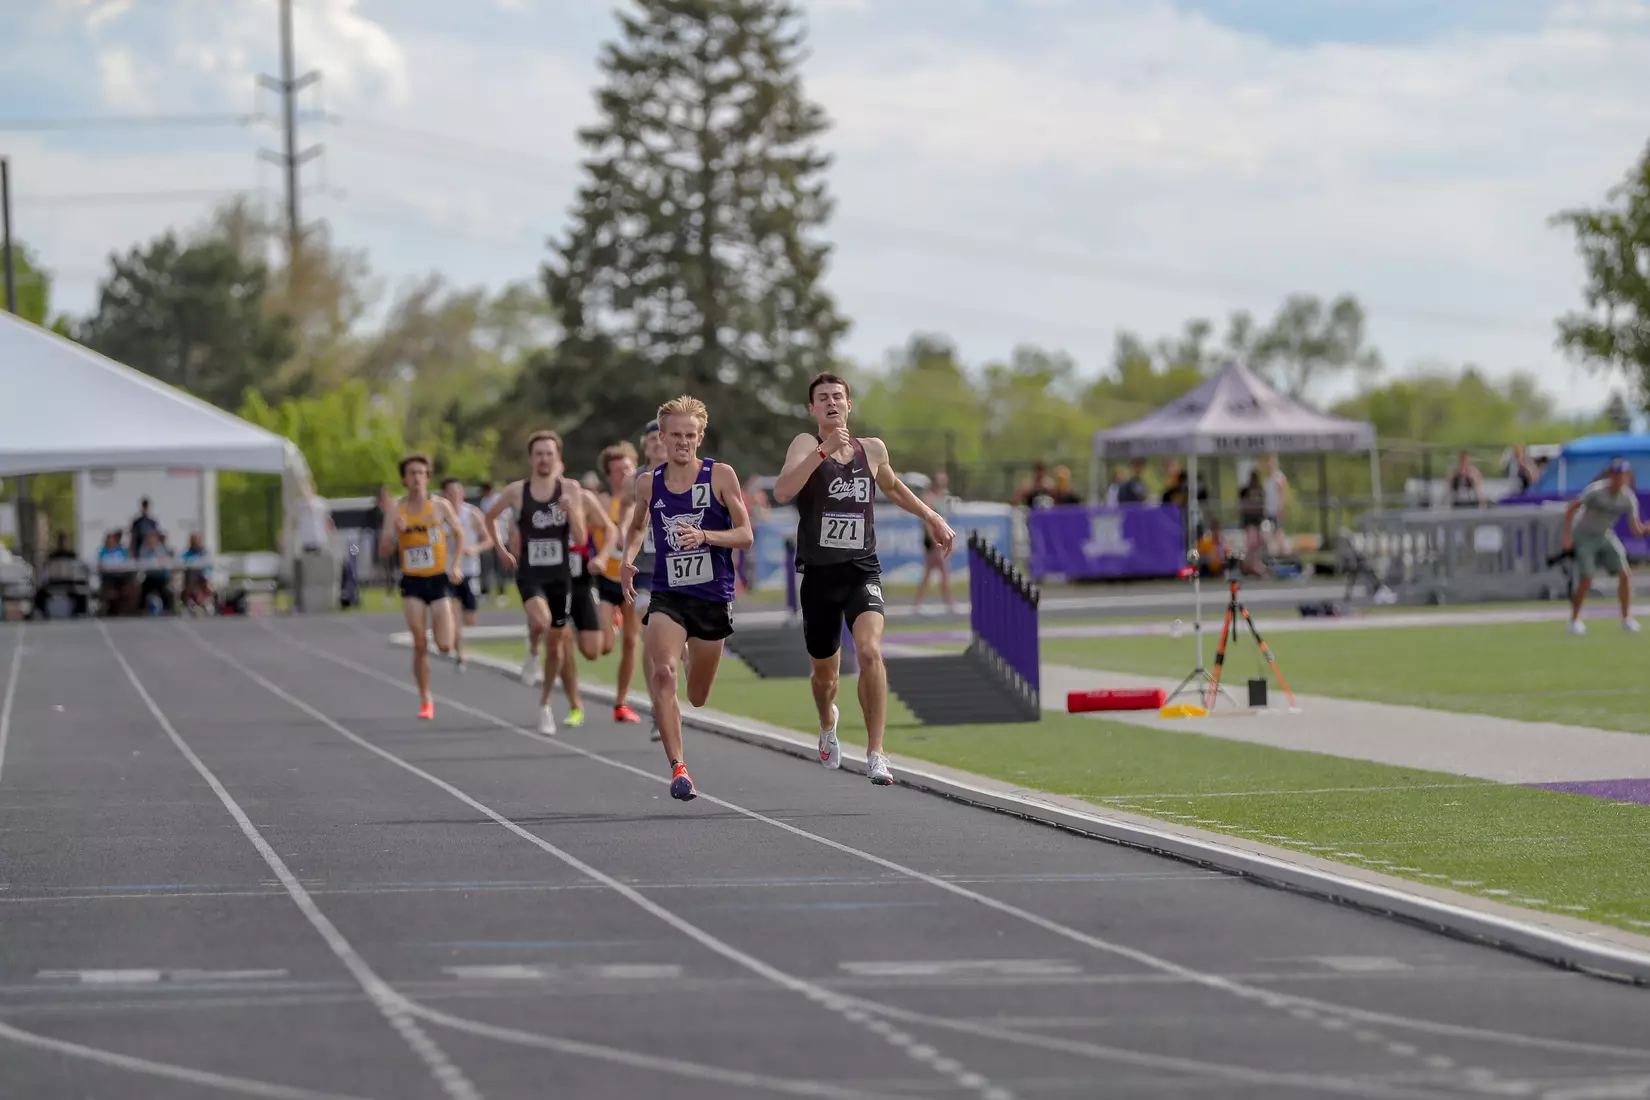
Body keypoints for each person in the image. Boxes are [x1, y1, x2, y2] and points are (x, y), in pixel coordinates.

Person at [771, 372, 957, 787]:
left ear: (849, 405)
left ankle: (876, 753)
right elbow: (783, 491)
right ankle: (827, 722)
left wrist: (932, 517)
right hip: (819, 576)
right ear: (813, 409)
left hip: (861, 569)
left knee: (871, 652)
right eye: (823, 398)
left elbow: (892, 487)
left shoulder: (871, 450)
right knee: (825, 679)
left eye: (838, 396)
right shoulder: (805, 444)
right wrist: (822, 453)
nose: (832, 402)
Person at [620, 396, 753, 802]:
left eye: (690, 435)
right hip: (668, 594)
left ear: (700, 437)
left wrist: (706, 536)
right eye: (675, 435)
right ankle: (679, 768)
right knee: (663, 672)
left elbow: (745, 534)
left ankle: (694, 657)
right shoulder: (648, 483)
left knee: (697, 697)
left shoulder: (720, 476)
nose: (682, 442)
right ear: (661, 437)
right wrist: (627, 560)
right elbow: (637, 528)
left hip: (712, 597)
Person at [485, 431, 589, 734]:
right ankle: (532, 651)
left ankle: (545, 705)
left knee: (556, 645)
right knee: (542, 623)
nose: (544, 459)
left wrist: (572, 514)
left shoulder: (570, 489)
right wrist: (501, 549)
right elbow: (489, 516)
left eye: (550, 453)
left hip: (560, 576)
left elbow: (581, 540)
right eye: (539, 453)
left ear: (557, 457)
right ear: (531, 458)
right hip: (530, 573)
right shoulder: (518, 491)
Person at [379, 453, 468, 719]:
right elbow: (383, 550)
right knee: (419, 644)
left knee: (443, 646)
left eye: (422, 473)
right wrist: (396, 532)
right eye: (412, 473)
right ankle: (426, 698)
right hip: (412, 582)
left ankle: (449, 621)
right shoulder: (396, 510)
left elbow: (460, 534)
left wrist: (455, 565)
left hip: (439, 579)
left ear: (428, 478)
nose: (417, 478)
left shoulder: (440, 506)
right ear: (404, 479)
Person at [550, 480, 617, 728]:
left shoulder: (581, 497)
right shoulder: (531, 496)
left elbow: (610, 529)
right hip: (551, 581)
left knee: (592, 650)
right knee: (561, 639)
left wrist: (601, 557)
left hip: (581, 579)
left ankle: (589, 625)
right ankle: (575, 704)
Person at [1562, 457, 1647, 635]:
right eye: (1615, 474)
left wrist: (1646, 528)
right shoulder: (1595, 491)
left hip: (1604, 535)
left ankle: (1626, 619)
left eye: (1622, 475)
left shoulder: (1628, 498)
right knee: (1587, 578)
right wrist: (1567, 538)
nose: (1618, 479)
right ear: (1609, 475)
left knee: (1625, 575)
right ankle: (1574, 620)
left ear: (1627, 477)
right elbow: (1571, 508)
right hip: (1584, 535)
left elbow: (1636, 529)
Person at [595, 441, 645, 724]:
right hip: (606, 578)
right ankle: (606, 620)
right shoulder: (603, 502)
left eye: (628, 468)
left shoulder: (644, 499)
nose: (624, 474)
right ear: (609, 475)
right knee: (604, 645)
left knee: (631, 641)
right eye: (617, 470)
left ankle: (621, 702)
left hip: (634, 579)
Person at [441, 477, 496, 671]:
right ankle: (460, 655)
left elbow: (489, 539)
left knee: (470, 618)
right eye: (450, 493)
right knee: (453, 614)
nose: (454, 496)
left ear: (462, 494)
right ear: (444, 495)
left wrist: (475, 548)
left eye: (457, 492)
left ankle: (462, 643)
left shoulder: (472, 514)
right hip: (447, 572)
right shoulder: (439, 516)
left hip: (469, 571)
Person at [913, 471, 956, 615]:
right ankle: (948, 603)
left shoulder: (942, 497)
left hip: (939, 540)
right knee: (941, 571)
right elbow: (927, 522)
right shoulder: (928, 498)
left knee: (931, 572)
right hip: (933, 541)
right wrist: (934, 539)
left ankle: (920, 602)